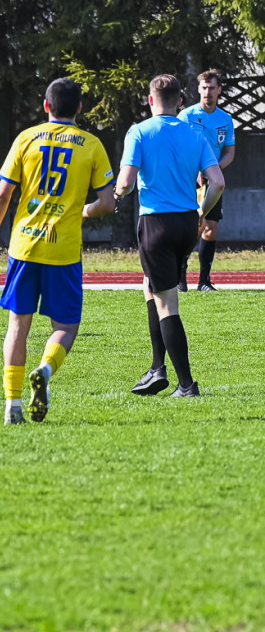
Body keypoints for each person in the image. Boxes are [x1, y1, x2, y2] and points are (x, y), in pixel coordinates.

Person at [0, 78, 116, 424]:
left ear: (46, 106)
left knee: (17, 326)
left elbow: (1, 195)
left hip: (23, 246)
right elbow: (108, 202)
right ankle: (45, 369)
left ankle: (12, 406)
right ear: (80, 109)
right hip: (64, 251)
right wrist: (85, 211)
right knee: (66, 326)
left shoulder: (26, 138)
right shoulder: (92, 145)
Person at [116, 74, 224, 398]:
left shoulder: (139, 132)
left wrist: (117, 193)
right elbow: (217, 182)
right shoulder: (195, 134)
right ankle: (155, 368)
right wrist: (203, 209)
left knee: (167, 303)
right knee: (151, 286)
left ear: (151, 100)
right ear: (180, 102)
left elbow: (127, 183)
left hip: (156, 225)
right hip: (188, 224)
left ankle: (187, 385)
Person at [177, 69, 235, 292]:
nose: (207, 92)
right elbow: (178, 148)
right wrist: (195, 168)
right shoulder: (186, 116)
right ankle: (180, 276)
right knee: (190, 227)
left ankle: (204, 281)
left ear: (219, 90)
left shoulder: (226, 119)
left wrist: (213, 169)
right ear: (198, 90)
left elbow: (229, 152)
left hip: (213, 181)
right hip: (188, 179)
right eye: (204, 88)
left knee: (210, 227)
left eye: (212, 88)